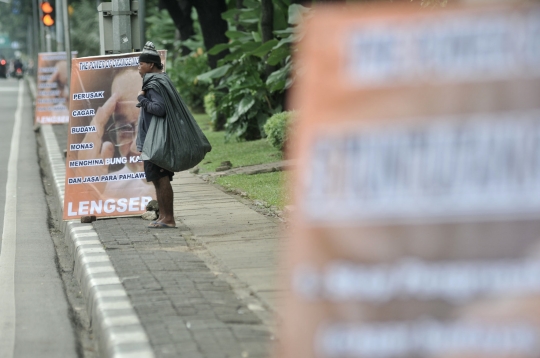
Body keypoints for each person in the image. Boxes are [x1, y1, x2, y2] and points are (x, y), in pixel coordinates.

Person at [136, 41, 176, 229]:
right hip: (157, 139)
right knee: (158, 179)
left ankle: (168, 218)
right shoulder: (162, 80)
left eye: (141, 64)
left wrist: (142, 99)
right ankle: (163, 217)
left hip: (156, 140)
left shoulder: (153, 84)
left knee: (161, 178)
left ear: (150, 65)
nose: (139, 67)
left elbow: (159, 109)